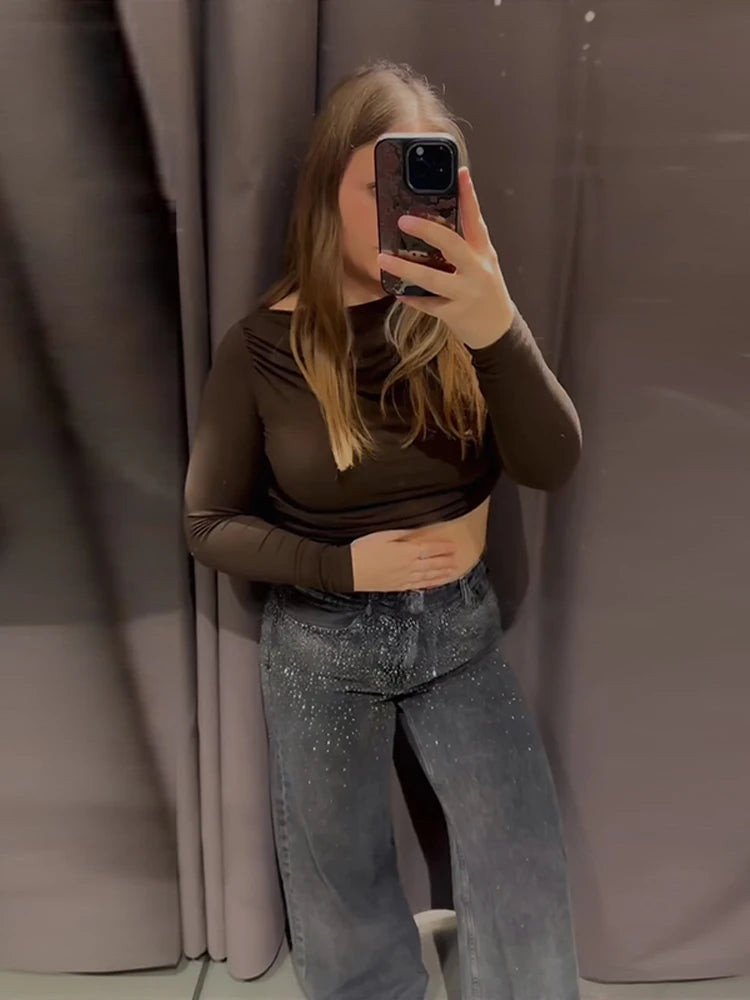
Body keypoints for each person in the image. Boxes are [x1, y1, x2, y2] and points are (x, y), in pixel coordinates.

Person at [184, 59, 582, 1000]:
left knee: (522, 873)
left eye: (424, 181)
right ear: (329, 189)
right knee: (342, 901)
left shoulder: (468, 322)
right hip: (319, 645)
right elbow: (207, 523)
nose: (402, 213)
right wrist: (343, 565)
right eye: (379, 186)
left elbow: (552, 462)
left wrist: (498, 326)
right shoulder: (260, 348)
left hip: (460, 634)